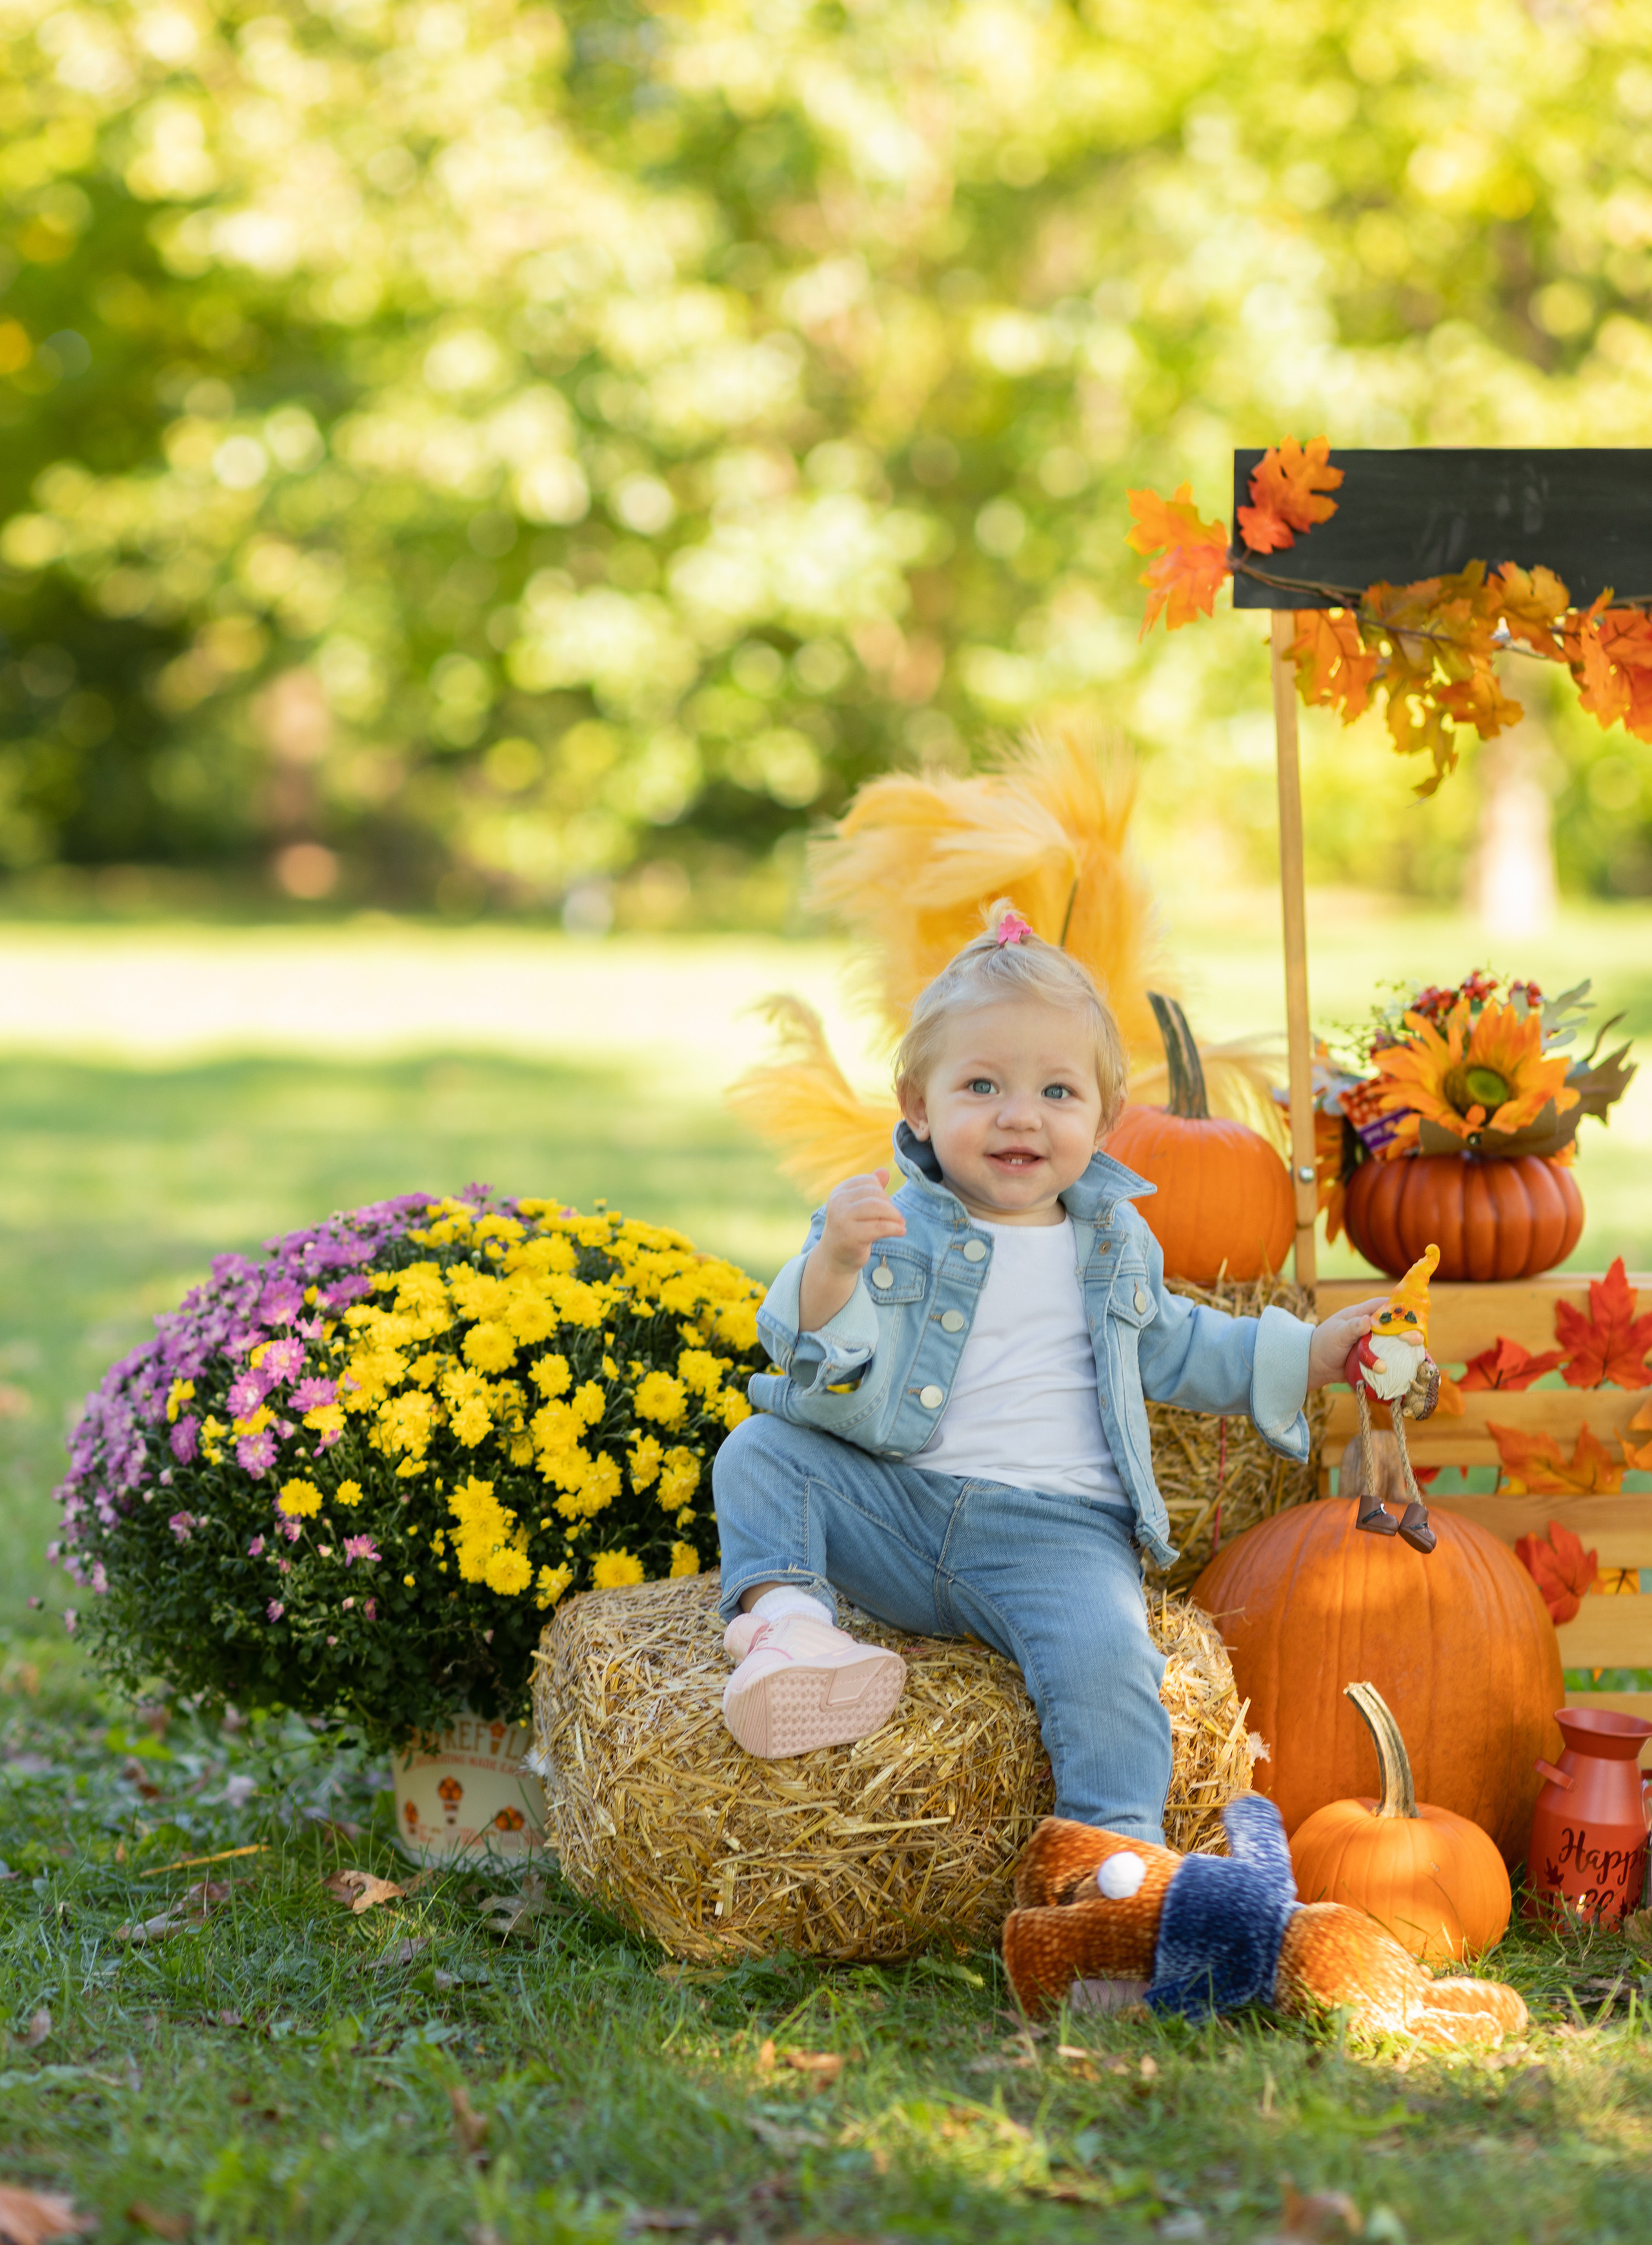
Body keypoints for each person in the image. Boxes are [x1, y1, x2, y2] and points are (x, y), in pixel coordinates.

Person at [712, 903, 1382, 1842]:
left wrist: (1309, 1352)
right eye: (981, 1084)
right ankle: (792, 1628)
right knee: (761, 1451)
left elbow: (1183, 1344)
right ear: (918, 1103)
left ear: (1106, 1119)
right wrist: (834, 1266)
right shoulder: (888, 1222)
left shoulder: (1112, 1242)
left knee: (1112, 1660)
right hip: (901, 1507)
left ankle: (1112, 1854)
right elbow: (809, 1341)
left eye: (1057, 1093)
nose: (1019, 1114)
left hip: (1055, 1535)